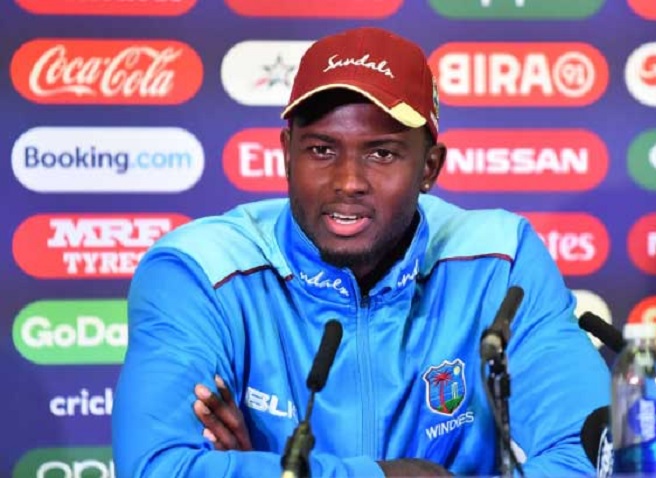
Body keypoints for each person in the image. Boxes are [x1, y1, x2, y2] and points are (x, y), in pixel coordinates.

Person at [111, 26, 610, 477]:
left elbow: (592, 456)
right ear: (286, 154)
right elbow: (158, 468)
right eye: (321, 150)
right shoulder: (199, 270)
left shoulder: (500, 260)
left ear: (430, 167)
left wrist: (265, 471)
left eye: (382, 153)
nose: (348, 181)